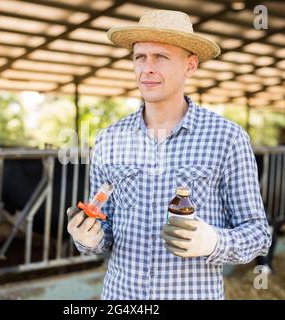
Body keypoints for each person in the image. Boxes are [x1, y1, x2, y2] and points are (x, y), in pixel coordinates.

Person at [67, 9, 271, 300]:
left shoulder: (227, 137)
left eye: (160, 57)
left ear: (190, 65)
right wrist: (88, 237)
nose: (146, 68)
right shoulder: (108, 139)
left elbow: (258, 233)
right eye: (140, 57)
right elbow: (105, 227)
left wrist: (213, 241)